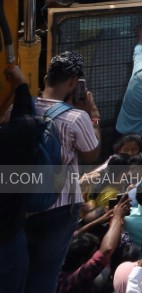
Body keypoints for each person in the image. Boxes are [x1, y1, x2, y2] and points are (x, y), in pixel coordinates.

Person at [25, 51, 102, 293]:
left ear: (47, 77)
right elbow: (91, 154)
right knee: (47, 273)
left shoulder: (22, 108)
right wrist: (93, 115)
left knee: (23, 266)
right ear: (72, 83)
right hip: (59, 207)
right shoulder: (77, 118)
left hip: (22, 202)